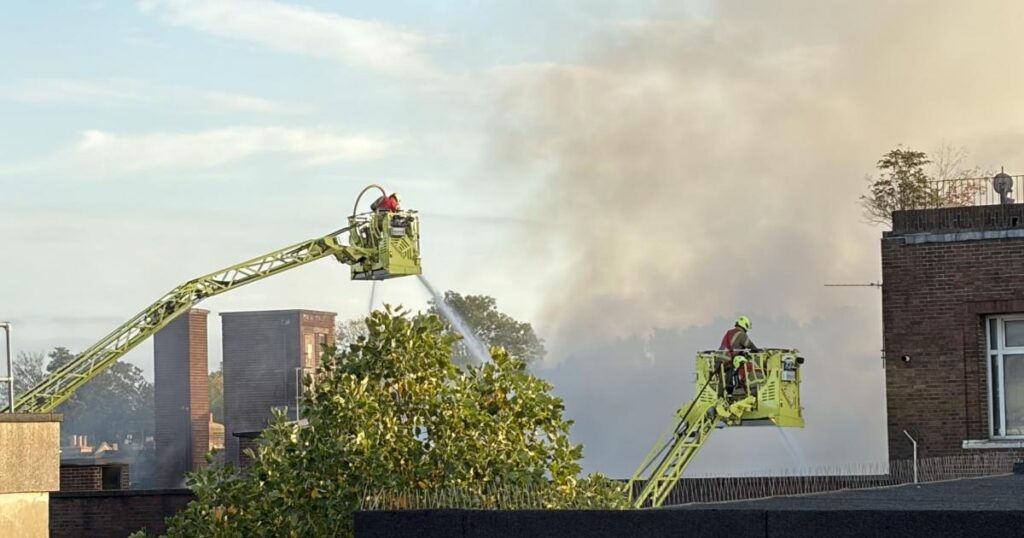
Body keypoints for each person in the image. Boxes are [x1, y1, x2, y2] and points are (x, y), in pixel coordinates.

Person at [718, 316, 759, 396]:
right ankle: (731, 392)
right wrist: (757, 351)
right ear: (745, 325)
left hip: (719, 358)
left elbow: (732, 346)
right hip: (727, 358)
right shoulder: (741, 334)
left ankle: (723, 394)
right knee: (734, 371)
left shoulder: (729, 332)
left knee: (722, 378)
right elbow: (750, 345)